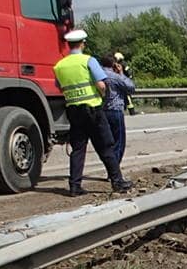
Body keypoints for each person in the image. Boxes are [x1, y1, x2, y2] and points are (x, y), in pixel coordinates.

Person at [54, 29, 132, 196]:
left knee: (78, 149)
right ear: (82, 44)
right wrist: (101, 96)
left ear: (68, 45)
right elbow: (102, 85)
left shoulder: (60, 65)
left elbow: (60, 87)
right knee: (106, 146)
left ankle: (74, 186)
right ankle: (117, 181)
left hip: (73, 111)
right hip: (93, 110)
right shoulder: (88, 61)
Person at [101, 54, 136, 167]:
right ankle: (114, 170)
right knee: (118, 142)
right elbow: (130, 87)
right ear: (114, 64)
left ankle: (110, 168)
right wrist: (121, 73)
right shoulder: (114, 77)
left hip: (101, 111)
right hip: (115, 110)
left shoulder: (97, 75)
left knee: (106, 143)